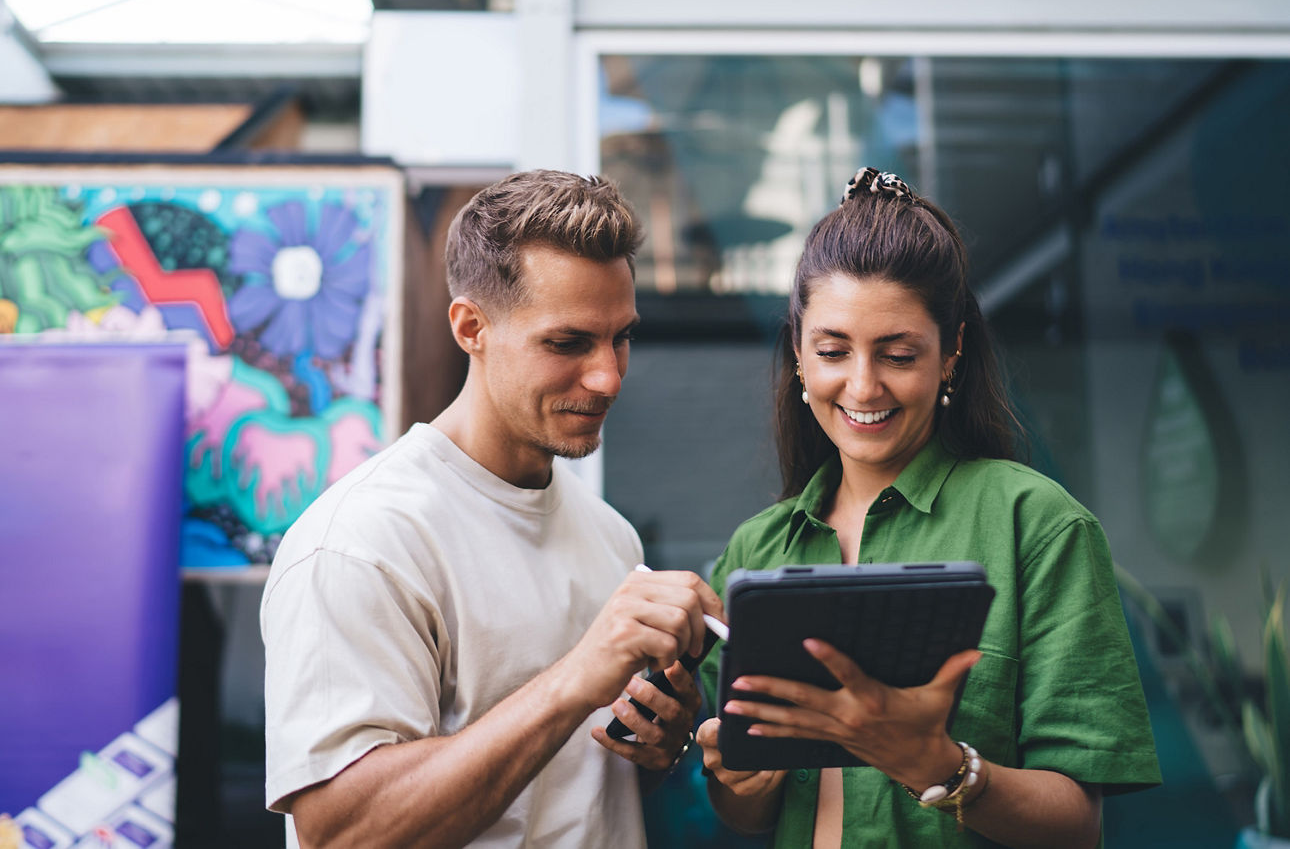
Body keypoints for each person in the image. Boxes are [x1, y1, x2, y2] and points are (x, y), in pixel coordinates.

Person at [695, 167, 1161, 848]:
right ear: (798, 354)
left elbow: (1077, 827)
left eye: (898, 353)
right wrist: (736, 785)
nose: (862, 384)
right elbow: (748, 811)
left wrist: (940, 768)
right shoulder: (757, 550)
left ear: (951, 354)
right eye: (832, 350)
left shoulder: (1035, 524)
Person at [260, 170, 724, 848]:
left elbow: (571, 793)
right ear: (470, 327)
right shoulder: (360, 543)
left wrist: (655, 744)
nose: (608, 377)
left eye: (620, 337)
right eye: (567, 343)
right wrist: (571, 682)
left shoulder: (609, 538)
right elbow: (341, 834)